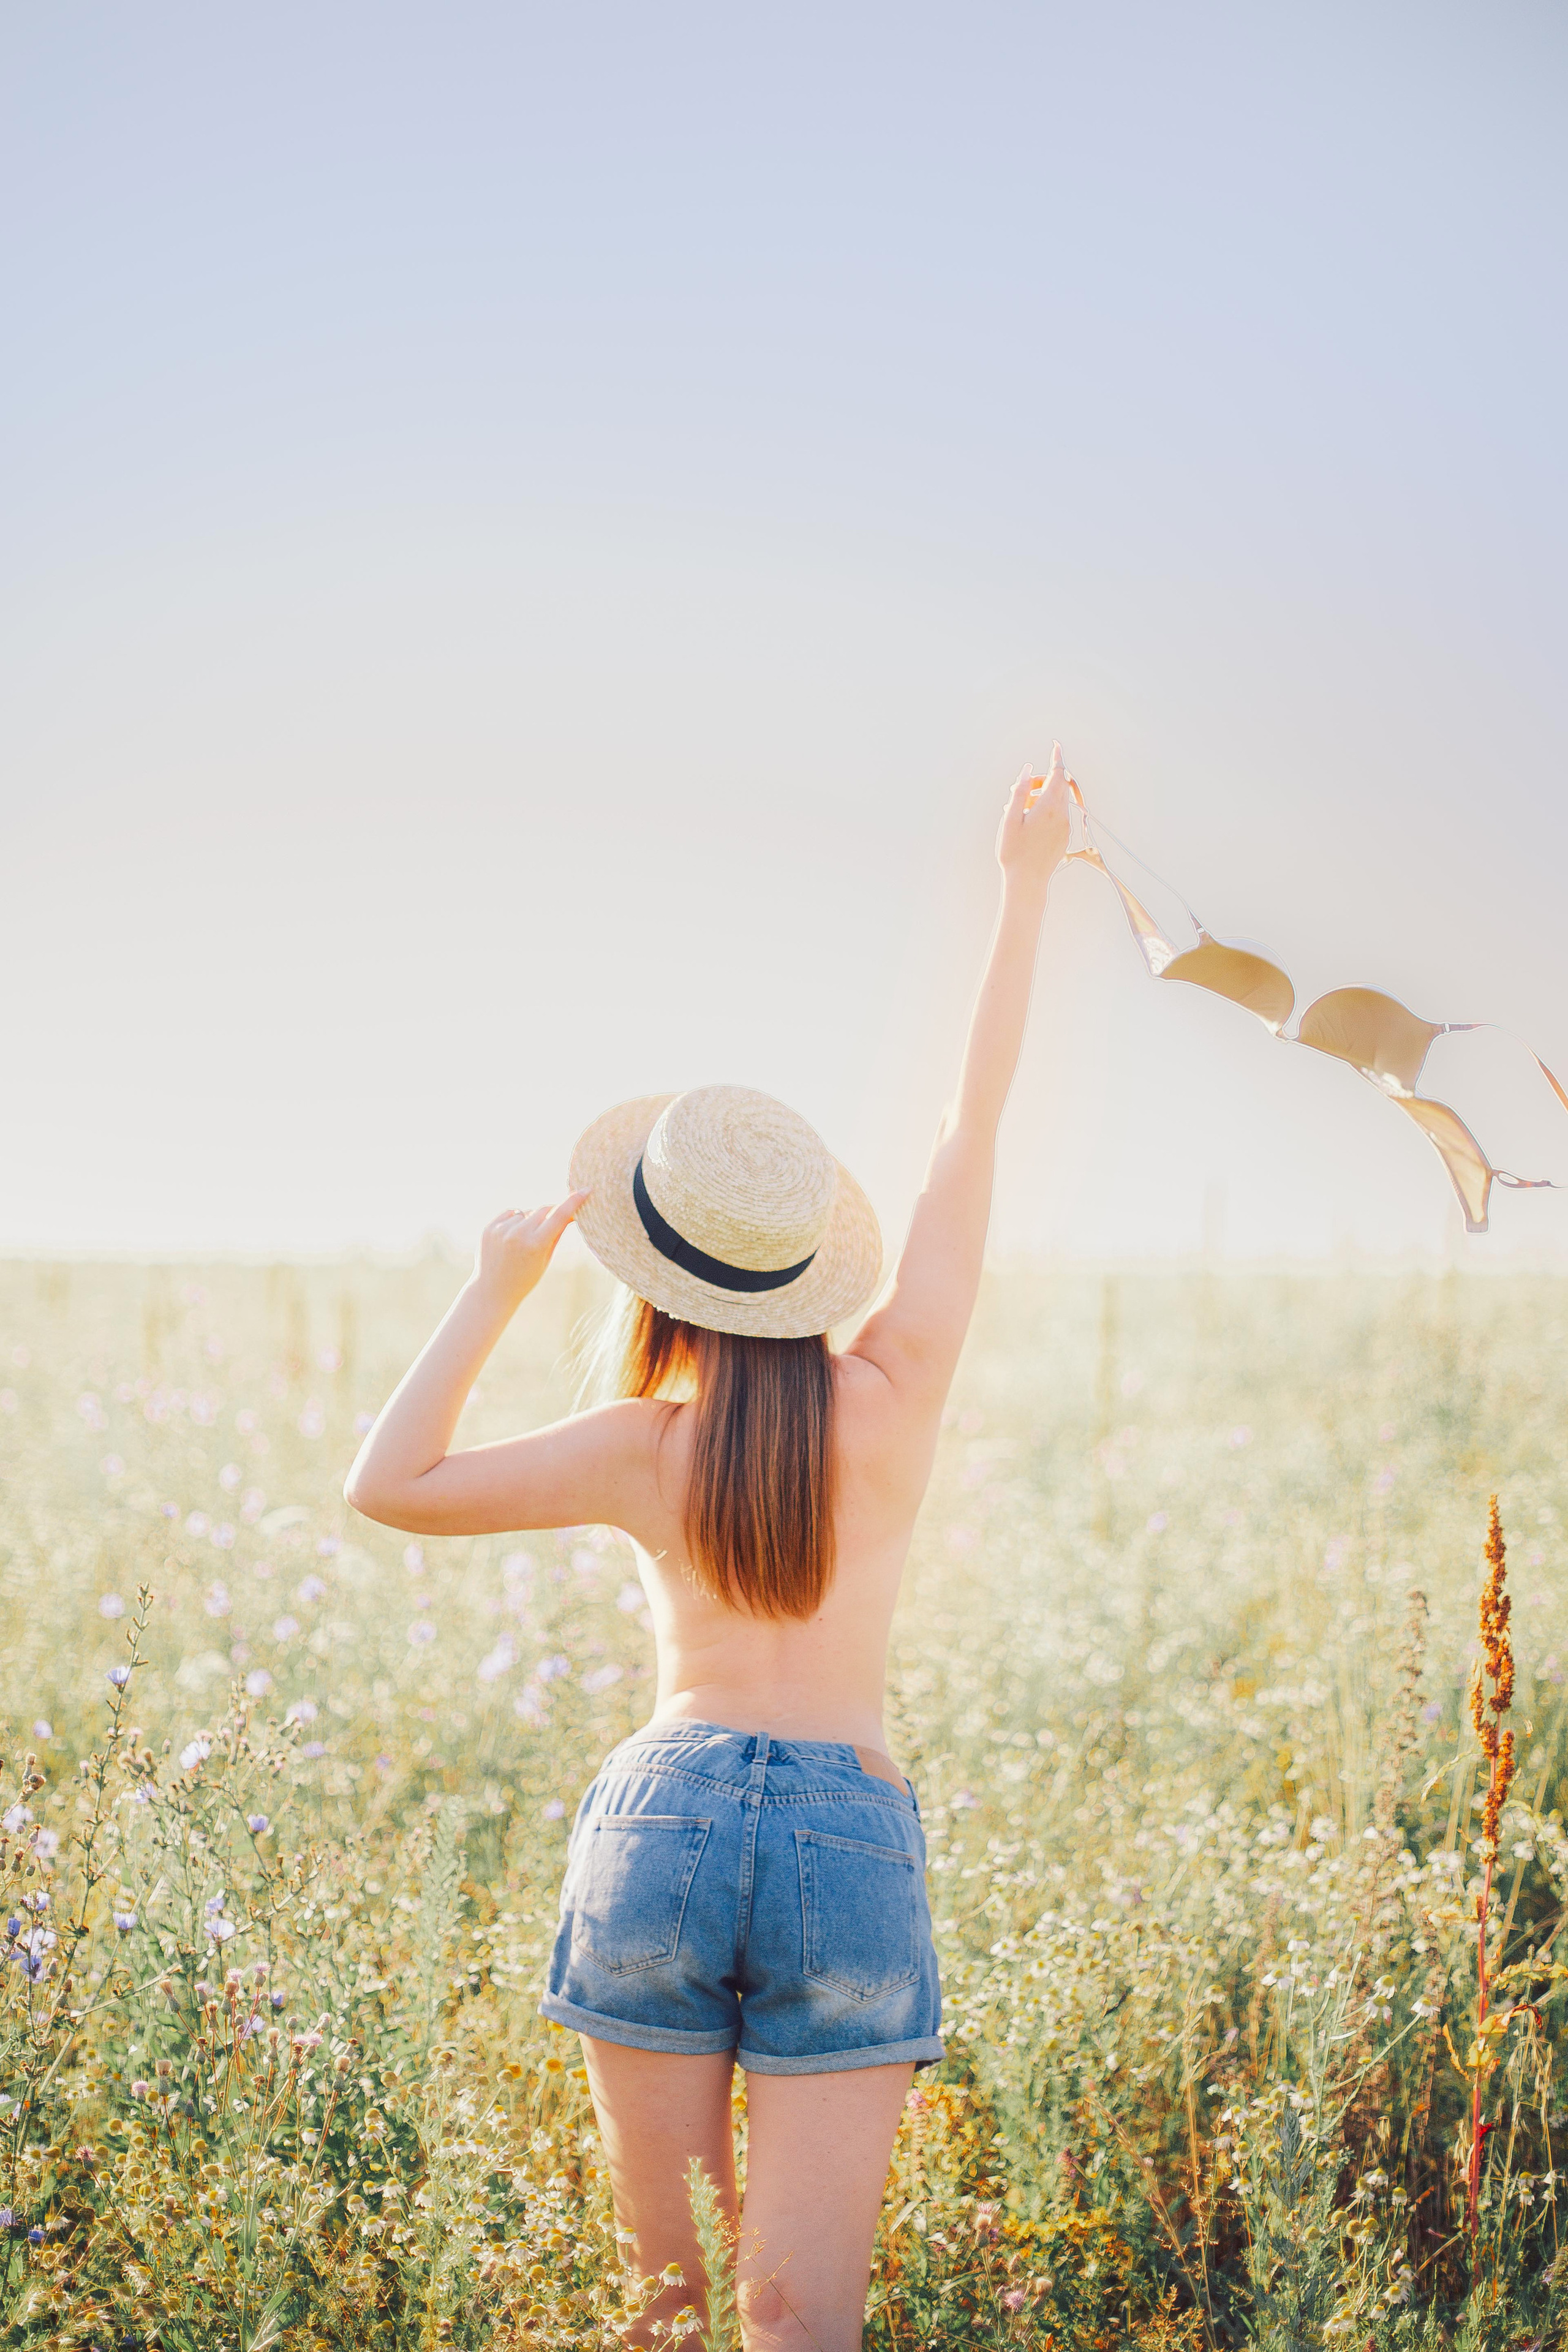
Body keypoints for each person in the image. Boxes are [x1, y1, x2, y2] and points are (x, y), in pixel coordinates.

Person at [344, 747, 1075, 2350]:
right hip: (848, 1835)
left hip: (660, 1824)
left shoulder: (642, 1448)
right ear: (819, 1260)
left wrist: (495, 1287)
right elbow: (973, 1128)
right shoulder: (893, 1398)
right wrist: (1025, 887)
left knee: (664, 2306)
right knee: (797, 2320)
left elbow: (388, 1483)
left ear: (658, 1273)